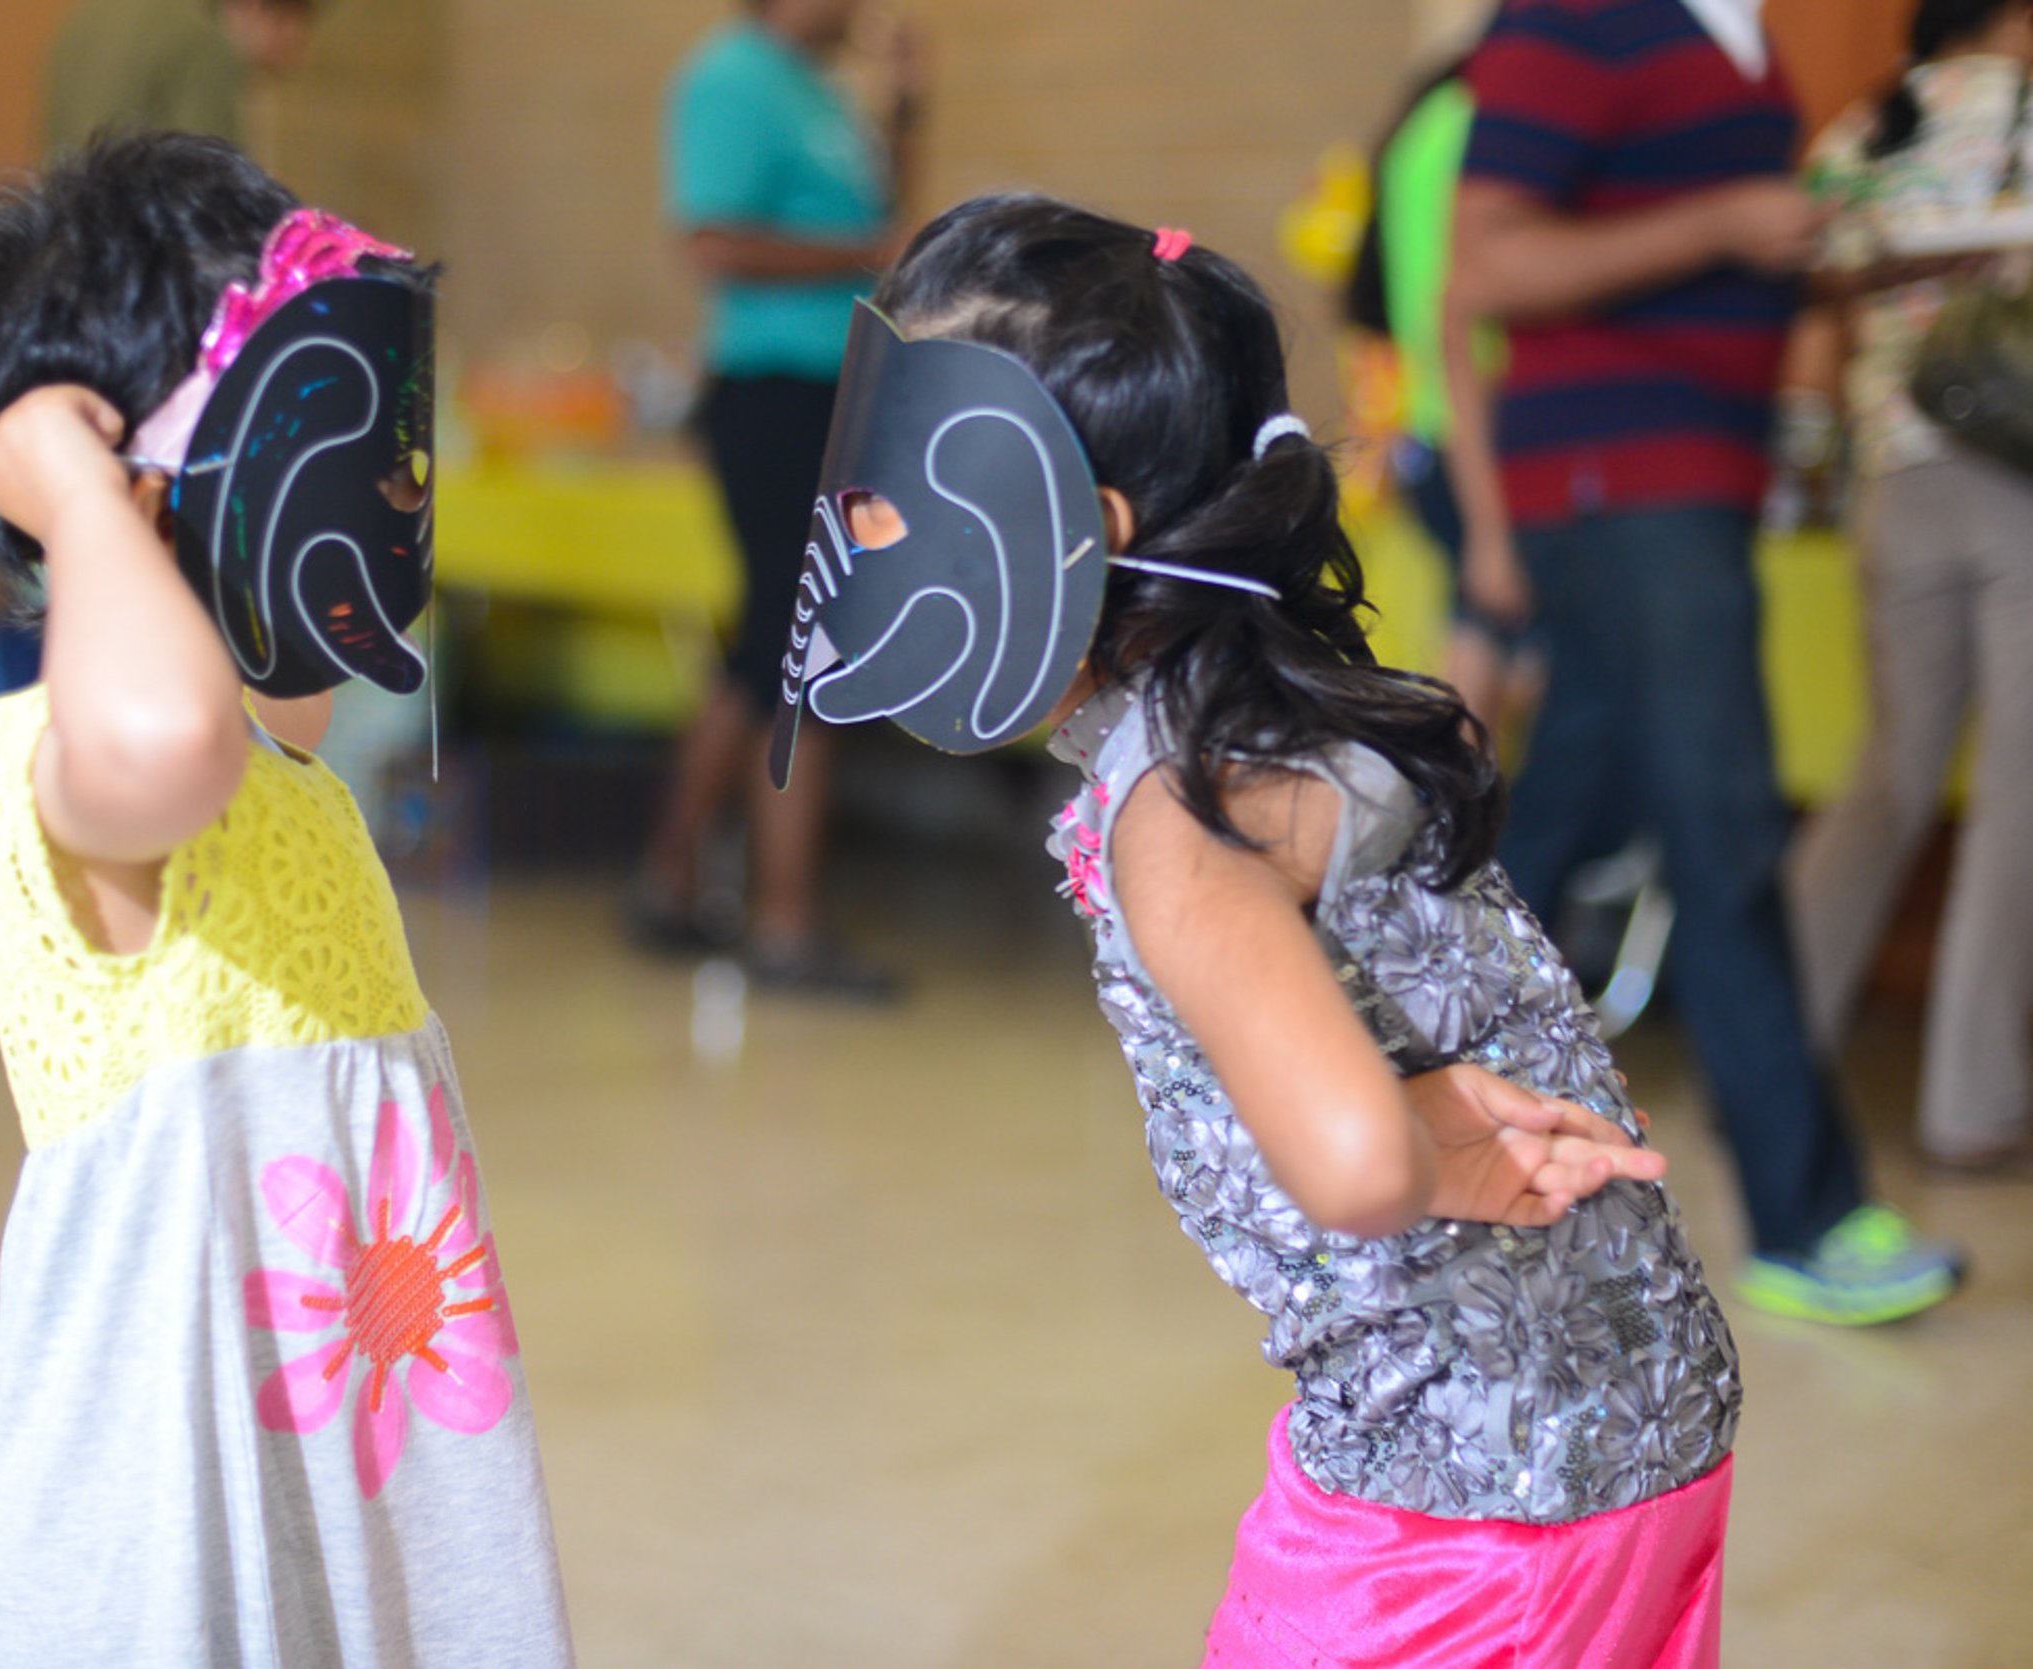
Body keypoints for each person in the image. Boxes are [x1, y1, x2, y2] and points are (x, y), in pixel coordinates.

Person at [786, 190, 1738, 1666]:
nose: (850, 532)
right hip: (1630, 1427)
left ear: (1062, 533)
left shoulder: (1179, 818)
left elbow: (1355, 1165)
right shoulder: (1266, 711)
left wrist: (1414, 1134)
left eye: (885, 494)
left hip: (1472, 1501)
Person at [0, 134, 572, 1666]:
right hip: (174, 1530)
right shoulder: (70, 772)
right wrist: (79, 492)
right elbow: (168, 730)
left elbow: (250, 695)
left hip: (349, 1482)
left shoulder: (281, 777)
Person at [1451, 0, 1967, 1322]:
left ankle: (1382, 1083)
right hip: (1619, 485)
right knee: (1725, 828)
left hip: (1691, 481)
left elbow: (1727, 259)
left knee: (1566, 811)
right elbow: (1489, 266)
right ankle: (1804, 1215)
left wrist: (1845, 255)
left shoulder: (1737, 35)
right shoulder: (1579, 19)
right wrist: (1729, 225)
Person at [632, 0, 923, 997]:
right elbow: (712, 241)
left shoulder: (818, 87)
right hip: (771, 395)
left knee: (768, 647)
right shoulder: (730, 78)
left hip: (833, 393)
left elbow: (887, 232)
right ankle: (784, 926)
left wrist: (908, 111)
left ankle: (668, 878)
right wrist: (863, 250)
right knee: (801, 650)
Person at [1790, 0, 2033, 1174]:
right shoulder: (2019, 113)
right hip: (2015, 481)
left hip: (1892, 485)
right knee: (2016, 798)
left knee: (1890, 777)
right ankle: (1971, 1104)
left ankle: (1775, 1047)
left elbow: (1818, 298)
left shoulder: (1857, 134)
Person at [1349, 45, 1539, 736]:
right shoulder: (1483, 127)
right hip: (1479, 422)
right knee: (1513, 643)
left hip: (1432, 422)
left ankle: (1453, 818)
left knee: (1479, 630)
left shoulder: (1426, 122)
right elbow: (1463, 306)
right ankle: (1460, 815)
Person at [40, 0, 315, 158]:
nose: (297, 53)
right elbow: (212, 179)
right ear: (256, 7)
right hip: (142, 243)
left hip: (67, 236)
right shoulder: (202, 38)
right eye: (292, 26)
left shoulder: (88, 15)